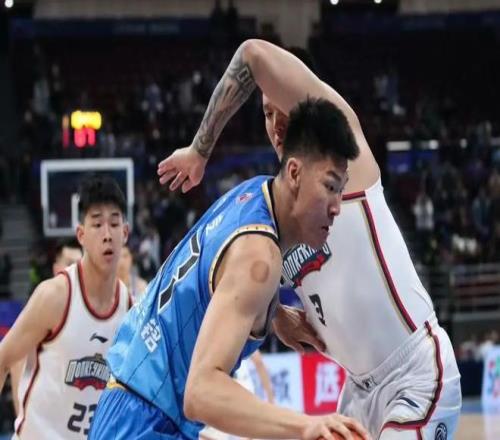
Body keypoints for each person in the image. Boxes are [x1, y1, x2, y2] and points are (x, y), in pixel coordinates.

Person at [157, 39, 462, 439]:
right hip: (357, 391)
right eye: (267, 114)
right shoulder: (284, 204)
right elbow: (252, 277)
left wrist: (199, 150)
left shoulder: (346, 152)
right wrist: (278, 316)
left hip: (416, 375)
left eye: (282, 107)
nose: (276, 124)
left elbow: (252, 53)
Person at [89, 98, 369, 440]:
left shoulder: (252, 193)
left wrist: (274, 313)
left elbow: (216, 279)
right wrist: (307, 424)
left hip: (131, 400)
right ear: (295, 173)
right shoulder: (260, 258)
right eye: (330, 187)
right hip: (146, 419)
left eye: (341, 190)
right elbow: (201, 393)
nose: (337, 206)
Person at [0, 175, 131, 439]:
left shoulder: (128, 307)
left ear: (125, 233)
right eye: (97, 224)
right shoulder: (55, 296)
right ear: (81, 235)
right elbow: (4, 359)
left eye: (114, 224)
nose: (107, 235)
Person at [9, 239, 83, 416]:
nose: (76, 270)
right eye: (70, 264)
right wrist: (21, 416)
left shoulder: (95, 310)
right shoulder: (43, 306)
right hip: (46, 415)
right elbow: (16, 360)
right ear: (57, 269)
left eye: (80, 264)